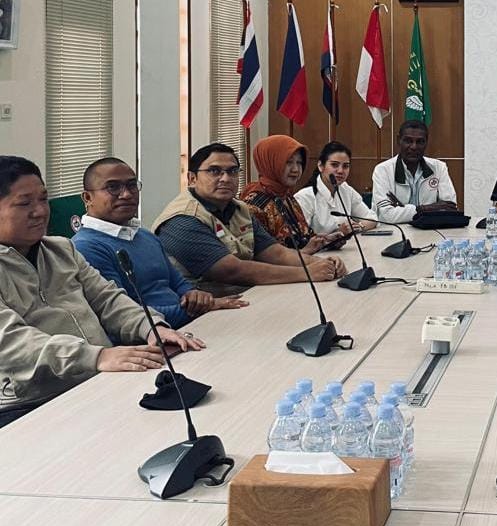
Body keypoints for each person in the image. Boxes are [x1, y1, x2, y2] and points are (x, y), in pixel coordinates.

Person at [0, 156, 202, 427]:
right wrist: (96, 356)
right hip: (29, 401)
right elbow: (12, 342)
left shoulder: (61, 249)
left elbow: (107, 298)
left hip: (96, 379)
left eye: (43, 199)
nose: (40, 211)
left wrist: (150, 327)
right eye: (24, 203)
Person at [72, 157, 248, 330]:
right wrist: (200, 309)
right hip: (149, 337)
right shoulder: (86, 247)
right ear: (87, 197)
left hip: (187, 324)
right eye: (113, 187)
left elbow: (177, 282)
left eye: (132, 185)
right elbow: (124, 314)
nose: (126, 194)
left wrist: (194, 295)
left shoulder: (144, 235)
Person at [152, 143, 346, 296]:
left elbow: (275, 253)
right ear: (192, 178)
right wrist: (308, 272)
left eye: (232, 171)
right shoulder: (182, 219)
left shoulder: (238, 209)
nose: (225, 178)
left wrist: (322, 263)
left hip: (246, 296)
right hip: (199, 311)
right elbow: (232, 270)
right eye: (214, 171)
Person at [240, 135, 328, 254]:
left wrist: (327, 241)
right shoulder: (255, 205)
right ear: (270, 163)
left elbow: (304, 237)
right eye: (288, 162)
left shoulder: (286, 196)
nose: (296, 169)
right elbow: (260, 256)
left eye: (299, 163)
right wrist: (304, 252)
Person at [371, 120, 457, 224]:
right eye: (408, 141)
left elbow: (450, 208)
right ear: (398, 140)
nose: (414, 147)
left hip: (429, 231)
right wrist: (425, 209)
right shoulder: (383, 170)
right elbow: (387, 216)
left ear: (426, 143)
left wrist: (402, 210)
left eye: (420, 142)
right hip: (395, 232)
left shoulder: (439, 168)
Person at [294, 141, 377, 236]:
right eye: (334, 165)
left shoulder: (345, 189)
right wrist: (338, 233)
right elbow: (301, 238)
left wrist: (358, 227)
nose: (340, 171)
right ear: (320, 166)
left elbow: (372, 218)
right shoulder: (305, 196)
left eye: (345, 166)